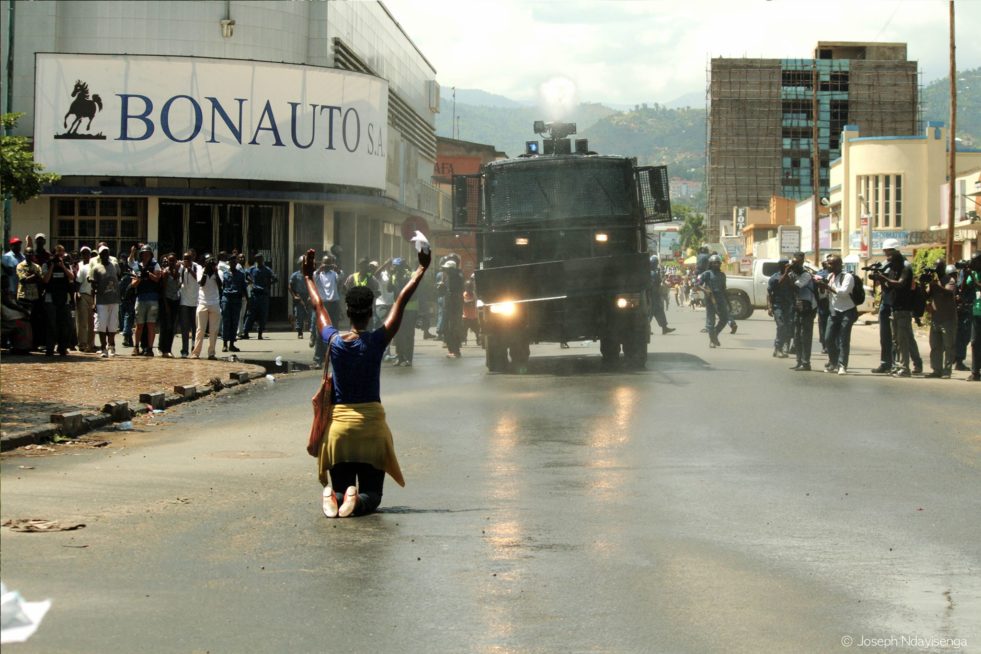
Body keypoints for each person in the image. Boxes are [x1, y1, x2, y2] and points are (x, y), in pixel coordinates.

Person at [303, 245, 431, 518]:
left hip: (338, 430)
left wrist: (308, 277)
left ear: (347, 312)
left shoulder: (334, 341)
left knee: (341, 486)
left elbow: (318, 306)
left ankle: (334, 496)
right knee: (372, 495)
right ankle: (357, 501)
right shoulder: (376, 341)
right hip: (371, 429)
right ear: (371, 312)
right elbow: (401, 301)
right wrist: (421, 269)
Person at [869, 240, 916, 377]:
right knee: (888, 336)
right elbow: (879, 281)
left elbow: (902, 284)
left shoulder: (904, 265)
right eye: (885, 251)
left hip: (901, 304)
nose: (886, 254)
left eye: (889, 251)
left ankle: (910, 364)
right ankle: (887, 363)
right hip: (887, 301)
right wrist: (878, 277)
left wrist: (883, 278)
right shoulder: (886, 263)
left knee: (904, 337)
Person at [814, 254, 857, 375]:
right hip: (834, 312)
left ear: (838, 265)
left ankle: (842, 365)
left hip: (847, 311)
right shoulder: (830, 276)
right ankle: (833, 362)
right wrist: (821, 287)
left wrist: (827, 287)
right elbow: (825, 295)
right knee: (828, 339)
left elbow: (843, 293)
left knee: (843, 339)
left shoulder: (848, 277)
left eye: (830, 263)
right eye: (827, 263)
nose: (828, 265)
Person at [923, 263, 958, 378]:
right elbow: (925, 296)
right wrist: (923, 284)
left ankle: (947, 371)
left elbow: (949, 293)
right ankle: (936, 370)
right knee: (935, 346)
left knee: (949, 346)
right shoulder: (933, 282)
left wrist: (935, 285)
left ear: (943, 268)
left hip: (948, 318)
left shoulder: (949, 280)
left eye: (938, 267)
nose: (936, 269)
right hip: (936, 319)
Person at [41, 244, 75, 357]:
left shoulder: (66, 264)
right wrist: (52, 266)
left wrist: (63, 267)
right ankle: (50, 348)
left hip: (63, 298)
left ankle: (62, 347)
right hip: (50, 298)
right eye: (58, 253)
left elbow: (71, 277)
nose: (60, 255)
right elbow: (45, 280)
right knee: (51, 325)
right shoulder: (46, 264)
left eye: (62, 253)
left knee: (65, 325)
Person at [129, 245, 162, 356]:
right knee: (139, 325)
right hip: (141, 298)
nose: (146, 255)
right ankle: (136, 347)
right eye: (144, 253)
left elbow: (158, 279)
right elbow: (133, 284)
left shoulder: (155, 265)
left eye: (148, 253)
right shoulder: (137, 266)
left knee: (151, 325)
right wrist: (139, 277)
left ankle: (150, 348)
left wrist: (148, 274)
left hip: (152, 298)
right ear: (141, 255)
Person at [90, 245, 122, 357]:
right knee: (102, 325)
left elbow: (119, 276)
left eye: (106, 252)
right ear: (99, 255)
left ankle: (111, 345)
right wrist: (94, 302)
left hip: (114, 299)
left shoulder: (114, 265)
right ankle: (103, 348)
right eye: (103, 253)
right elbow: (93, 287)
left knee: (113, 325)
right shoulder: (96, 268)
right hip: (101, 300)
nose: (105, 255)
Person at [312, 255, 343, 367]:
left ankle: (334, 356)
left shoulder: (334, 274)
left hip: (334, 303)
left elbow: (341, 278)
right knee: (320, 331)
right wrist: (320, 268)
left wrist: (337, 269)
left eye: (328, 264)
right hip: (323, 304)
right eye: (325, 263)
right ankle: (318, 359)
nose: (326, 266)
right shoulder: (318, 274)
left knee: (334, 331)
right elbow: (313, 278)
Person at [790, 252, 817, 371]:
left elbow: (796, 287)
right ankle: (799, 361)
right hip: (797, 306)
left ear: (801, 262)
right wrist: (787, 272)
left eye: (797, 262)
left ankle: (806, 362)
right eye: (793, 262)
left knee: (805, 335)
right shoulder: (791, 273)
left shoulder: (805, 274)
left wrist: (790, 275)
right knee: (797, 335)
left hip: (808, 307)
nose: (795, 264)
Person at [192, 254, 222, 360]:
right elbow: (201, 283)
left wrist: (215, 272)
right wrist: (206, 271)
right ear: (205, 262)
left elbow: (220, 285)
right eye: (208, 262)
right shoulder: (201, 270)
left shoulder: (217, 271)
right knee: (200, 329)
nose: (210, 264)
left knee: (213, 330)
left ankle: (211, 353)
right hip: (203, 303)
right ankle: (196, 353)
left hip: (214, 303)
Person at [240, 253, 277, 340]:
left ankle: (260, 333)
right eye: (257, 259)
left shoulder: (267, 270)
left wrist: (268, 284)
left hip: (263, 295)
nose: (259, 261)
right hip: (254, 295)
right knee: (250, 314)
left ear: (262, 259)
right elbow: (245, 275)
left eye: (260, 259)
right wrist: (250, 281)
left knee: (263, 315)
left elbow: (275, 278)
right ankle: (246, 332)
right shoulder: (252, 269)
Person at [389, 258, 418, 365]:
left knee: (409, 335)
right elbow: (389, 289)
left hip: (410, 309)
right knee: (398, 334)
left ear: (402, 267)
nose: (394, 268)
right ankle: (400, 357)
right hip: (398, 309)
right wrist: (390, 277)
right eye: (394, 266)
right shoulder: (393, 276)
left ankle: (408, 359)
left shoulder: (409, 276)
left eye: (396, 266)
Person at [696, 254, 729, 348]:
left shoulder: (722, 275)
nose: (716, 264)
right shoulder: (707, 273)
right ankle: (712, 340)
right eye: (714, 263)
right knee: (711, 321)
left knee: (725, 319)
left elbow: (724, 289)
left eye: (718, 263)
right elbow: (697, 283)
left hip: (721, 299)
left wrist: (728, 303)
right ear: (711, 263)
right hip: (710, 299)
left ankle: (714, 334)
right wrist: (705, 290)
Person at [766, 258, 795, 359]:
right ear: (781, 266)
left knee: (789, 326)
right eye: (785, 265)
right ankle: (778, 348)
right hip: (778, 305)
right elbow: (769, 293)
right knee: (781, 326)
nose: (788, 266)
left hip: (789, 305)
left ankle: (783, 347)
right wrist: (769, 307)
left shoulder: (792, 276)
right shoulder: (774, 277)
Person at [960, 252, 981, 382]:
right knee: (974, 343)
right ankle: (975, 372)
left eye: (974, 261)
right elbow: (964, 289)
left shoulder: (975, 275)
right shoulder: (972, 273)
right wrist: (965, 276)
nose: (972, 264)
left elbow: (979, 285)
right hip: (976, 312)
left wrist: (972, 275)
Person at [221, 255, 247, 353]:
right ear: (229, 263)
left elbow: (244, 288)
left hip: (236, 300)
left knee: (234, 322)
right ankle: (224, 344)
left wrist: (248, 300)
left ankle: (232, 344)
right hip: (227, 299)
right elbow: (222, 287)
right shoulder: (225, 274)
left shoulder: (240, 274)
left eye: (234, 262)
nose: (232, 264)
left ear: (236, 263)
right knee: (226, 321)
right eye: (231, 262)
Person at [439, 258, 464, 358]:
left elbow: (455, 292)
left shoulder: (457, 277)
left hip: (454, 306)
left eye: (447, 269)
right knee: (446, 328)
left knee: (453, 329)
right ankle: (452, 349)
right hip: (448, 306)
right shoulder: (448, 277)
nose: (445, 271)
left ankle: (455, 350)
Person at [74, 246, 96, 353]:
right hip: (83, 295)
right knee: (82, 322)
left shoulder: (96, 267)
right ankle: (82, 344)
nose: (86, 255)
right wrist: (77, 293)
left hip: (94, 297)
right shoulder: (82, 267)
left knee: (92, 323)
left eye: (87, 253)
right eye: (83, 253)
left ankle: (91, 344)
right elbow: (77, 283)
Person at [178, 252, 200, 358]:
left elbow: (199, 279)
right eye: (184, 259)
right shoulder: (181, 268)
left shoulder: (197, 267)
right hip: (184, 302)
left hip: (195, 301)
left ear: (192, 259)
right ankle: (184, 349)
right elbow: (178, 281)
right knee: (184, 328)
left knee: (195, 327)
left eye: (188, 259)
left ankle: (194, 347)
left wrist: (190, 269)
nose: (186, 261)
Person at [647, 255, 675, 335]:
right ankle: (647, 329)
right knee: (651, 312)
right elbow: (655, 284)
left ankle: (664, 328)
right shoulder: (652, 273)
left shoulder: (652, 272)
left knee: (659, 311)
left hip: (654, 295)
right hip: (653, 296)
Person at [288, 256, 311, 339]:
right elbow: (290, 286)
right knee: (299, 315)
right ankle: (300, 332)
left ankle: (312, 332)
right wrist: (294, 296)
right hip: (299, 297)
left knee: (311, 315)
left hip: (308, 296)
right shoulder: (295, 275)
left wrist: (310, 296)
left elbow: (314, 285)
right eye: (303, 264)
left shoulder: (310, 274)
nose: (304, 265)